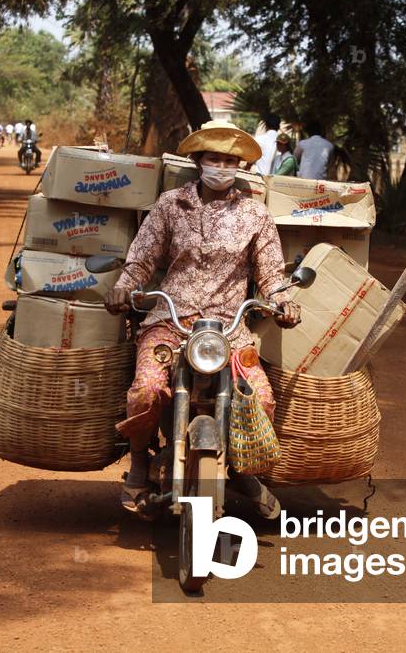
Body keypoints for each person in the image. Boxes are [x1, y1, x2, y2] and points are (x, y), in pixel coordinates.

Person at [104, 120, 301, 519]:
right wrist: (124, 287)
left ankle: (242, 471)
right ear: (198, 161)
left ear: (240, 167)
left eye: (231, 160)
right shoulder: (169, 204)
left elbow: (270, 274)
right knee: (145, 390)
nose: (222, 166)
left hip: (229, 329)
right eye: (215, 158)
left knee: (261, 398)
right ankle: (140, 460)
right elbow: (142, 259)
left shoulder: (255, 214)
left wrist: (285, 302)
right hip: (170, 321)